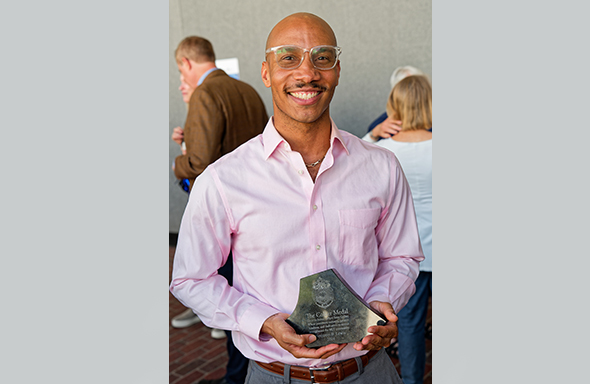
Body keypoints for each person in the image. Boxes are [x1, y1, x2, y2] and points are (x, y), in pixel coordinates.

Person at [170, 12, 424, 384]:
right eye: (288, 57)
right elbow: (191, 279)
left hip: (369, 371)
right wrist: (264, 323)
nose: (307, 73)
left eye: (322, 57)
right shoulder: (224, 180)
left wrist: (382, 302)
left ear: (337, 69)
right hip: (274, 375)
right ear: (266, 72)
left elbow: (402, 256)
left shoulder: (381, 166)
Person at [171, 35, 269, 384]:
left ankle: (237, 376)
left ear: (185, 63)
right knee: (253, 294)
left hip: (225, 218)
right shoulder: (248, 92)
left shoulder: (205, 94)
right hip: (261, 209)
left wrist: (177, 162)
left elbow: (199, 162)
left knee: (229, 299)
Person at [362, 75, 432, 384]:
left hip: (406, 255)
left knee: (410, 325)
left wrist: (373, 134)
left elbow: (348, 166)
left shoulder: (380, 153)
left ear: (394, 106)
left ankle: (413, 380)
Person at [366, 65, 425, 142]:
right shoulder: (382, 125)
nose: (413, 96)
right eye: (407, 89)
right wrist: (374, 134)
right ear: (395, 93)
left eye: (417, 89)